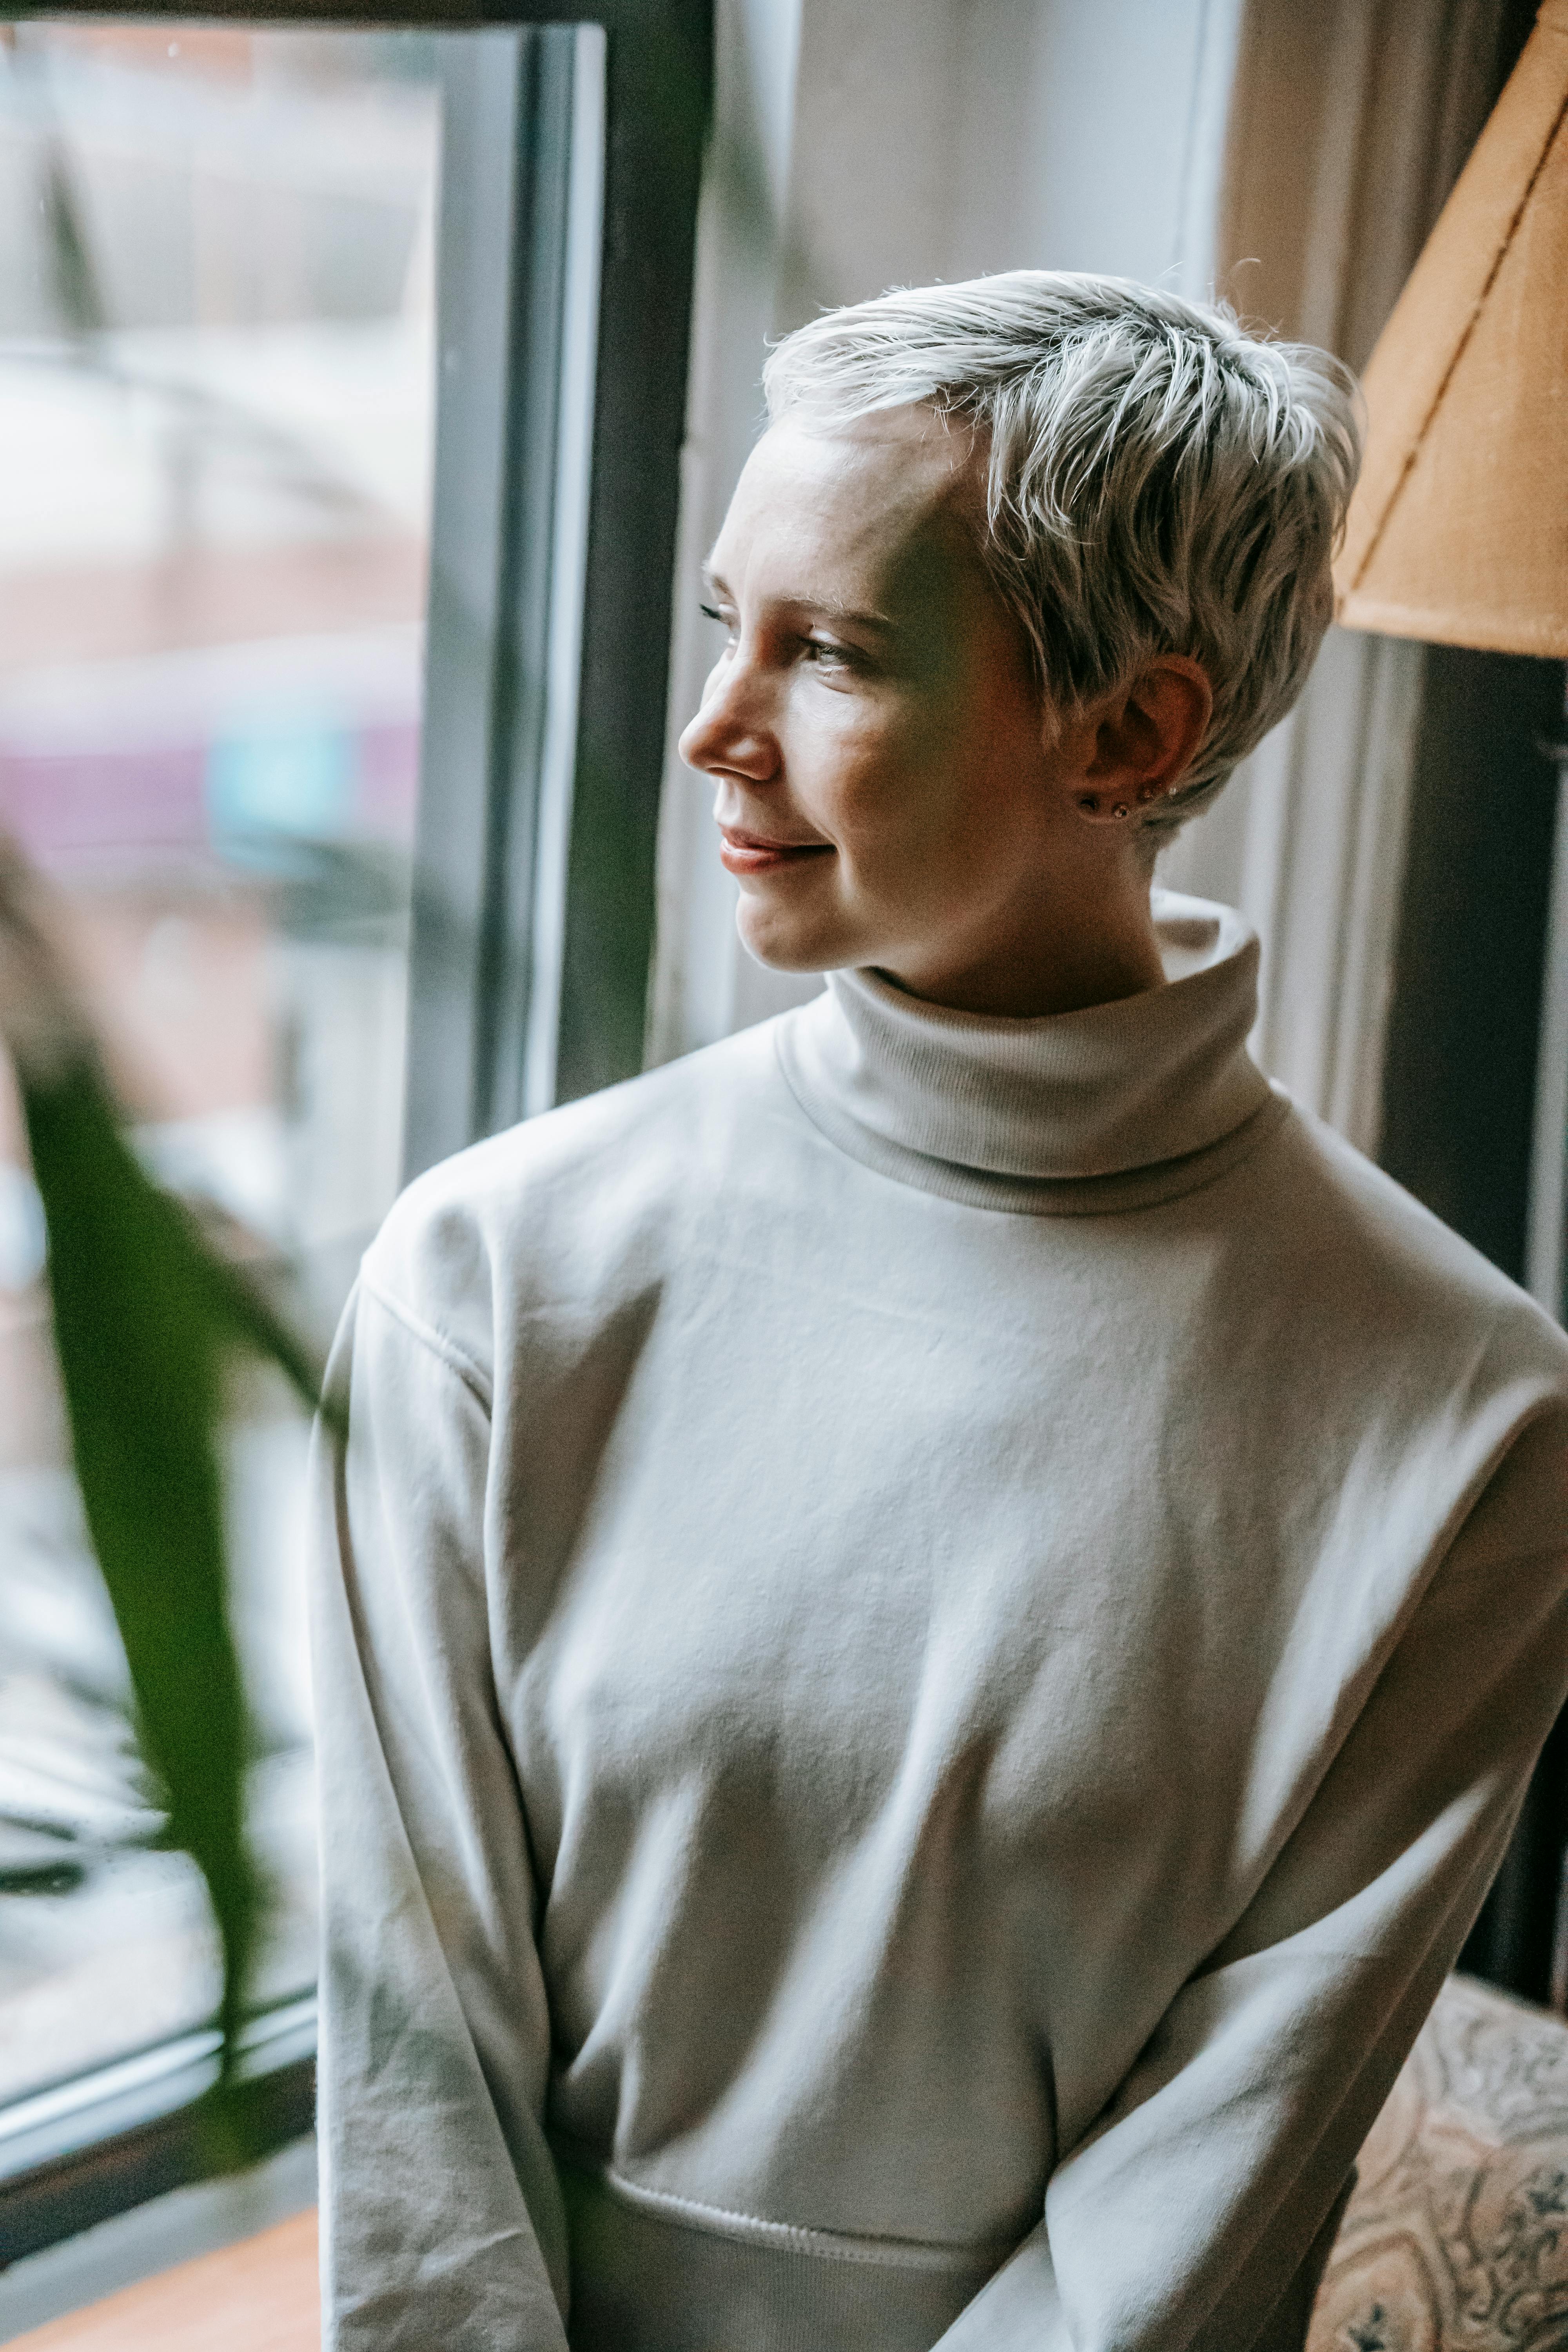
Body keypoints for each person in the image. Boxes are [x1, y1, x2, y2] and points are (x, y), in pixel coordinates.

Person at [309, 273, 1568, 2352]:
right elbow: (410, 2070)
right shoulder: (490, 1278)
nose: (718, 723)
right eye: (733, 620)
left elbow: (1205, 2200)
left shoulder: (1464, 1425)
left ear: (1136, 728)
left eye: (828, 653)